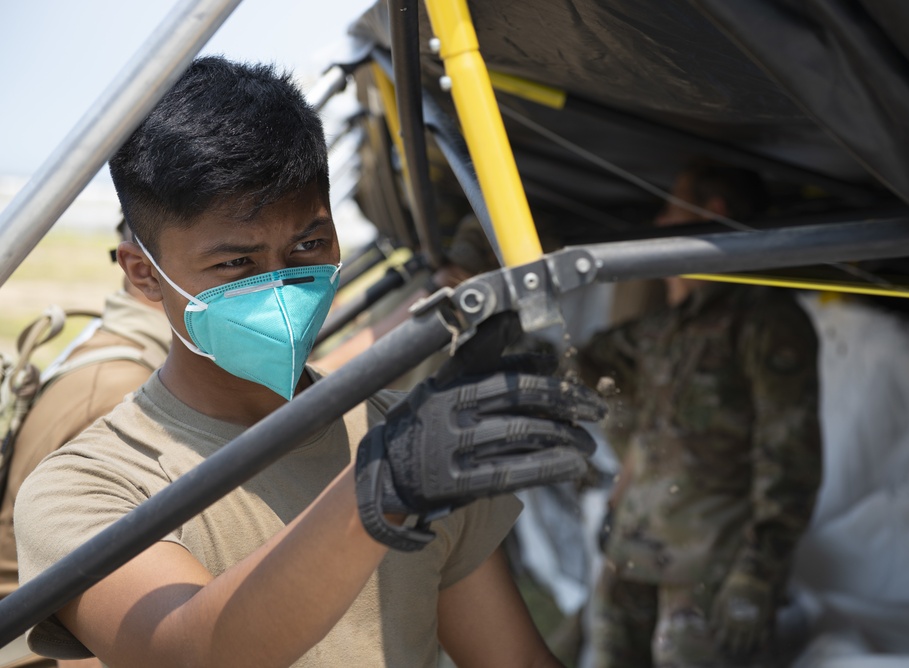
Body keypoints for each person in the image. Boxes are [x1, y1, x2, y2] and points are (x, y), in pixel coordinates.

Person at [13, 56, 604, 667]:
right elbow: (193, 653)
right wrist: (380, 488)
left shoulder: (407, 439)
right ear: (144, 273)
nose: (281, 284)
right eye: (234, 264)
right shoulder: (88, 488)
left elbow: (514, 661)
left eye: (308, 245)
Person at [580, 161, 823, 667]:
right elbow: (584, 364)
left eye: (669, 209)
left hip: (708, 573)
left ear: (709, 211)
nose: (658, 225)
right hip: (632, 558)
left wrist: (757, 576)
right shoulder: (664, 328)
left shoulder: (765, 322)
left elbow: (790, 463)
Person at [0, 223, 170, 668]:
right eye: (234, 260)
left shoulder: (119, 344)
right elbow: (103, 634)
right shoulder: (124, 392)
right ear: (144, 269)